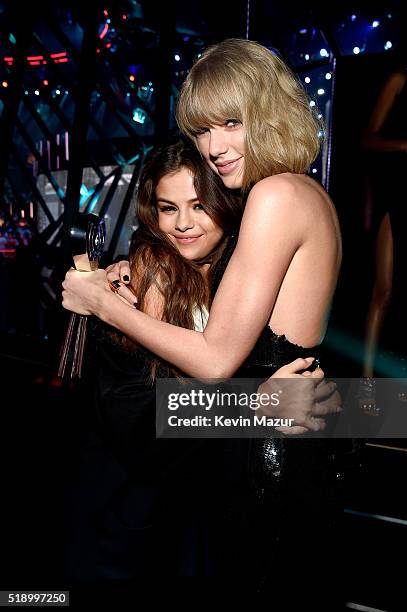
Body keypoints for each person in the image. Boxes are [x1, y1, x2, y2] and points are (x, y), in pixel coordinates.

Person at [62, 39, 343, 604]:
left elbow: (215, 362)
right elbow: (138, 411)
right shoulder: (306, 194)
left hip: (269, 456)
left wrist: (102, 304)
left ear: (268, 112)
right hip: (149, 507)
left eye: (231, 123)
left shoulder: (276, 195)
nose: (215, 147)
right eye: (202, 131)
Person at [363, 65, 407, 378]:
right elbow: (367, 139)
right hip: (398, 196)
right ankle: (364, 380)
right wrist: (404, 145)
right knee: (384, 290)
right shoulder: (399, 78)